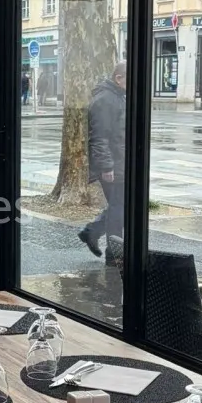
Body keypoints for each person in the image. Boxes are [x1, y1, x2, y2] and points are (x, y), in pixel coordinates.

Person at [78, 61, 126, 261]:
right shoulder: (106, 99)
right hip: (113, 164)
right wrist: (107, 167)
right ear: (118, 78)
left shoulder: (117, 96)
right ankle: (114, 256)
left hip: (119, 162)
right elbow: (99, 137)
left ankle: (92, 232)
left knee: (120, 206)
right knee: (118, 209)